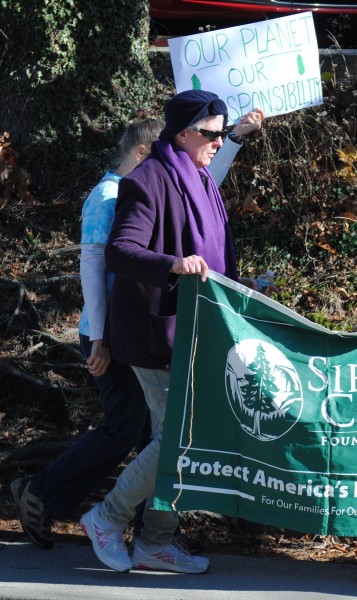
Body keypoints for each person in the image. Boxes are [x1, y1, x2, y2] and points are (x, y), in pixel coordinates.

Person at [11, 107, 265, 551]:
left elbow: (207, 179)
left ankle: (150, 531)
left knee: (149, 431)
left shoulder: (165, 181)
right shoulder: (111, 194)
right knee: (129, 427)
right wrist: (99, 337)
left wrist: (237, 137)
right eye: (208, 136)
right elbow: (95, 264)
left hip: (130, 326)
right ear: (148, 150)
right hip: (112, 329)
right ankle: (47, 494)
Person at [79, 90, 266, 575]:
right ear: (182, 133)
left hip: (196, 331)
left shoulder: (200, 177)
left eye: (222, 133)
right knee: (181, 440)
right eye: (211, 134)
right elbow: (120, 252)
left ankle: (154, 543)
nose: (218, 142)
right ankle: (107, 517)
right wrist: (173, 265)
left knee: (185, 440)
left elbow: (211, 257)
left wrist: (244, 285)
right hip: (154, 333)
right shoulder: (147, 180)